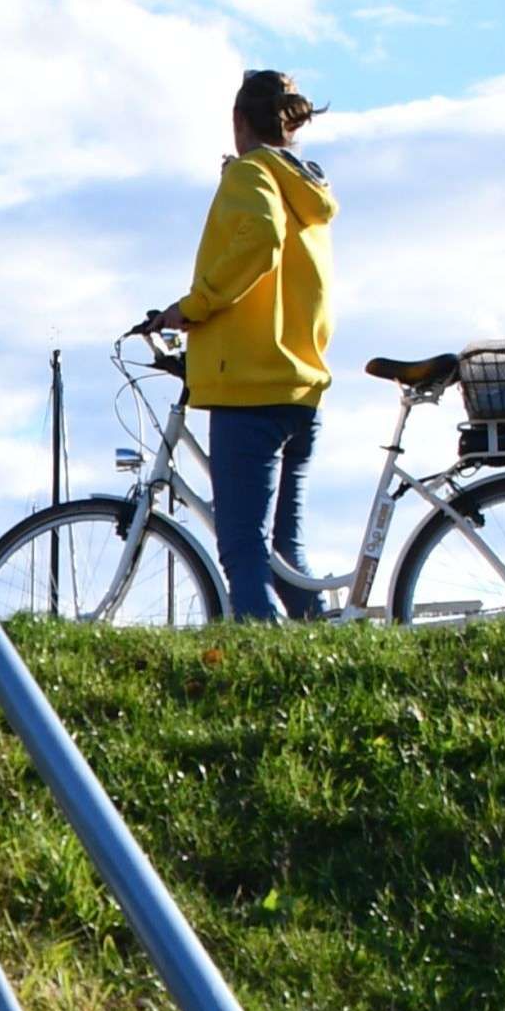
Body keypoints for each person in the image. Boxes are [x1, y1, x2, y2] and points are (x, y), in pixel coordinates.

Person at [143, 70, 338, 621]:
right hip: (298, 387)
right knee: (284, 554)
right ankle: (318, 652)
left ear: (238, 121)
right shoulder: (307, 190)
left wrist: (194, 306)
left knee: (244, 551)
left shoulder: (252, 174)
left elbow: (260, 239)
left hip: (247, 387)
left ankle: (262, 662)